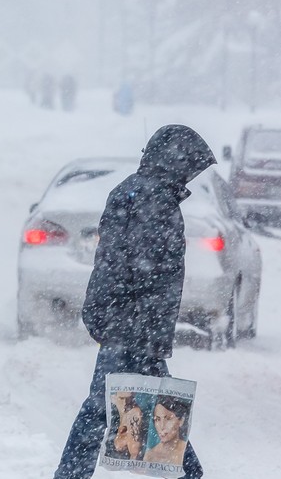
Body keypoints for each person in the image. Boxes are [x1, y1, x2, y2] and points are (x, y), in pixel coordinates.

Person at [53, 124, 213, 479]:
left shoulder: (140, 191)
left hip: (127, 322)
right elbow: (142, 271)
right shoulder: (151, 198)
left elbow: (128, 266)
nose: (192, 175)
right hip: (131, 324)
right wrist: (144, 329)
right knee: (106, 409)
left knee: (152, 403)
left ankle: (191, 474)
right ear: (175, 162)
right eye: (191, 166)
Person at [143, 396, 192, 466]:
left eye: (168, 419)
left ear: (181, 421)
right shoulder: (149, 456)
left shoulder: (186, 452)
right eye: (157, 419)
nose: (162, 426)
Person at [104, 392, 145, 461]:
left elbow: (134, 452)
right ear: (113, 398)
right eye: (121, 398)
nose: (125, 403)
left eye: (129, 399)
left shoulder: (134, 414)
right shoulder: (112, 414)